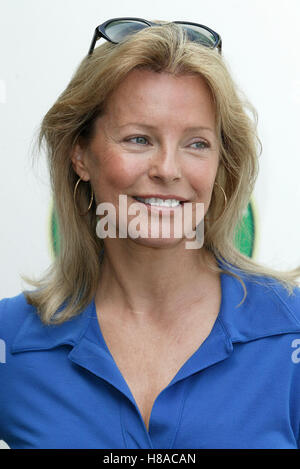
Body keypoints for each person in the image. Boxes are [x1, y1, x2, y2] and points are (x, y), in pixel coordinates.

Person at [0, 18, 300, 450]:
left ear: (222, 165)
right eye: (139, 139)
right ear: (80, 155)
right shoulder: (14, 342)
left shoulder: (289, 335)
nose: (167, 169)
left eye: (197, 143)